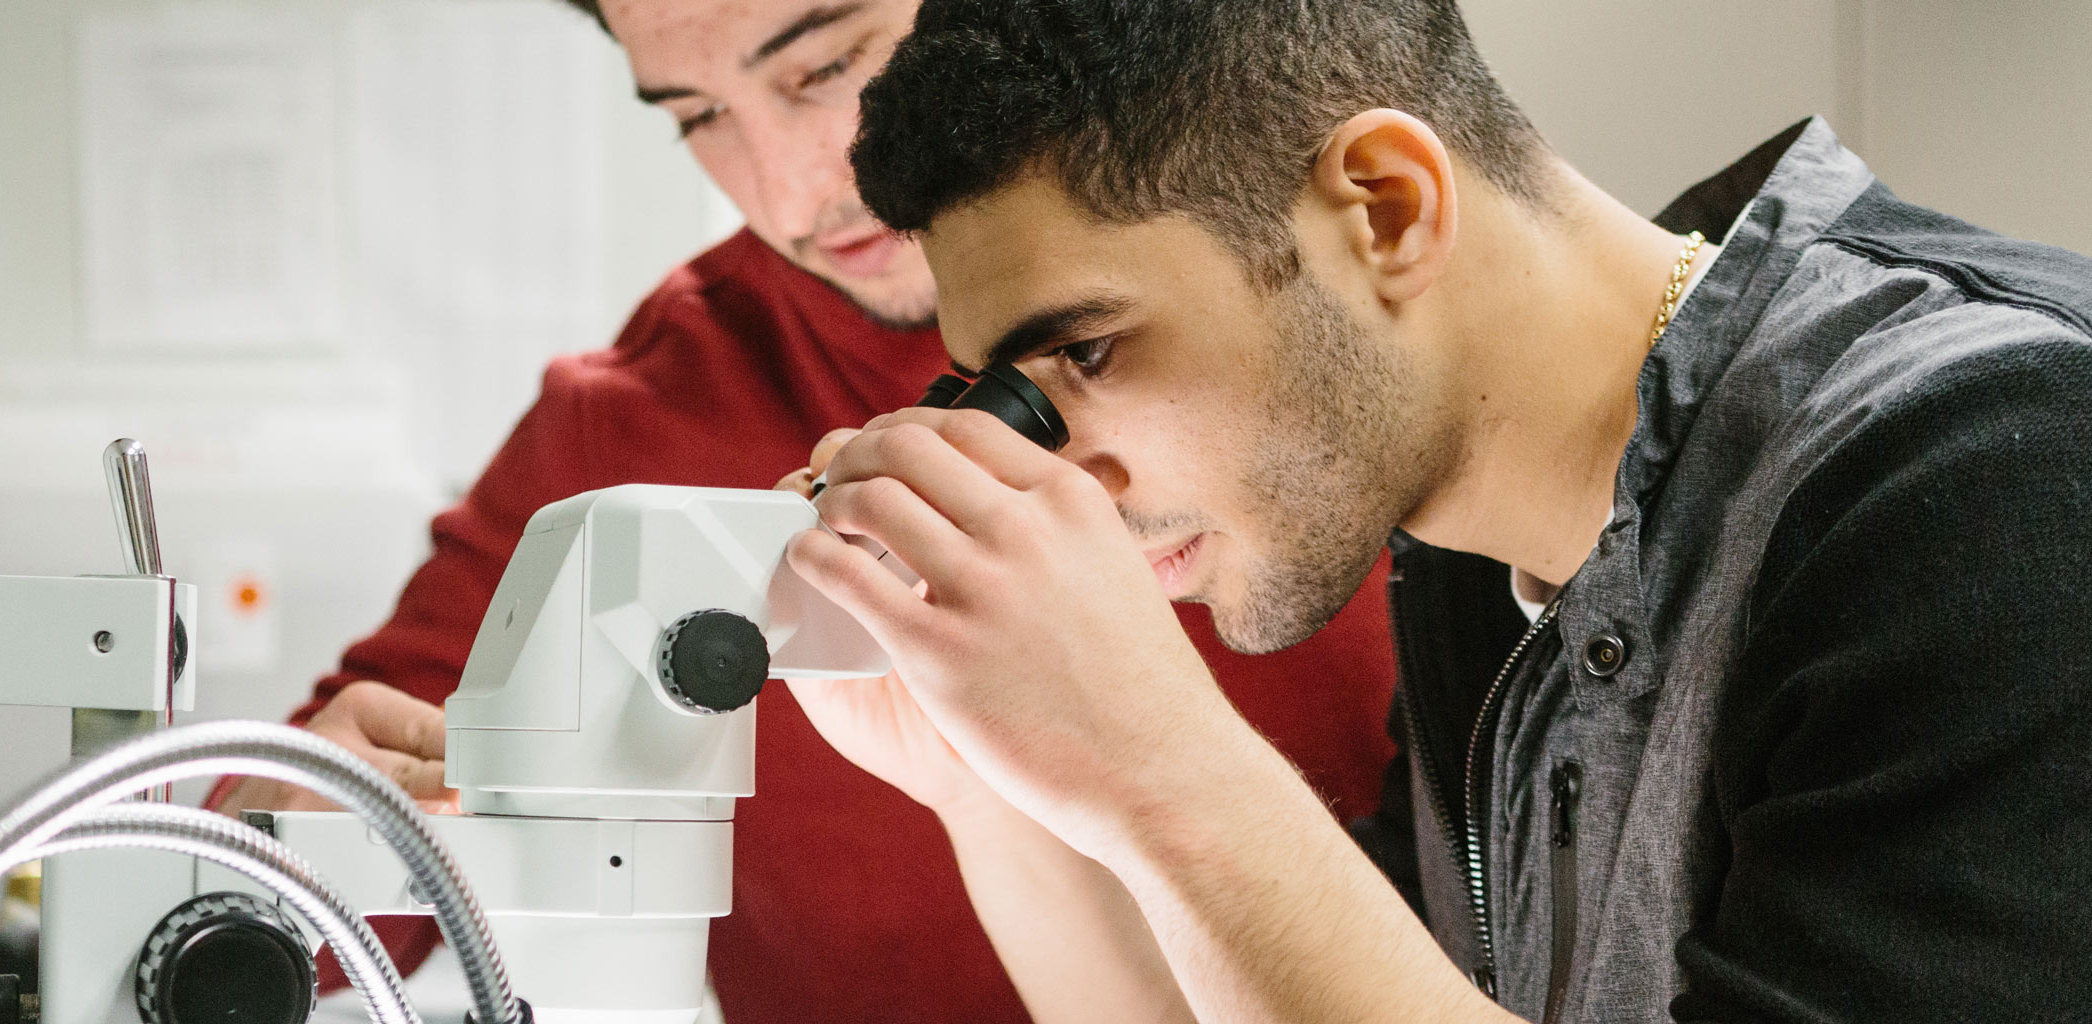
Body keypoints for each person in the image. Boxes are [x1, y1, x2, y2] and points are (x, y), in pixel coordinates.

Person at [789, 0, 2092, 1020]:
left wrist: (1166, 765)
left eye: (1086, 353)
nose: (1061, 475)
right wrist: (985, 772)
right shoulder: (1483, 564)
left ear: (1386, 208)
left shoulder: (1994, 462)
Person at [211, 0, 1404, 1019]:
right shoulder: (630, 421)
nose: (792, 186)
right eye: (697, 114)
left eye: (827, 66)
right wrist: (289, 839)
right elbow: (314, 880)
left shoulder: (1308, 326)